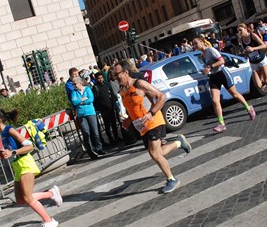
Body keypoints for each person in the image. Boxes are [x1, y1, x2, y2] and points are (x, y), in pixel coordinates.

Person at [113, 60, 192, 193]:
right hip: (142, 126)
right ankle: (179, 142)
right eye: (114, 75)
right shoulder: (123, 90)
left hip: (153, 121)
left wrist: (151, 113)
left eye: (117, 74)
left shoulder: (139, 84)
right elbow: (131, 108)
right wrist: (128, 120)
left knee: (154, 153)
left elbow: (162, 96)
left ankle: (172, 179)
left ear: (126, 72)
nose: (115, 78)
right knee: (158, 152)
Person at [0, 108, 62, 227]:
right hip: (17, 166)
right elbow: (11, 150)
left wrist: (13, 152)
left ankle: (49, 221)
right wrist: (5, 154)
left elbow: (29, 146)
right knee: (20, 199)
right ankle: (50, 194)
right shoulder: (3, 134)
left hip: (25, 164)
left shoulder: (9, 130)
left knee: (27, 198)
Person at [192, 36, 256, 133]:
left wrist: (210, 66)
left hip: (222, 73)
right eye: (193, 44)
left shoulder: (211, 50)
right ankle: (221, 123)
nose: (194, 45)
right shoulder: (202, 56)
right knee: (214, 100)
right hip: (214, 76)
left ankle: (249, 108)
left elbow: (221, 61)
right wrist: (205, 71)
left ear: (201, 42)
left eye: (195, 43)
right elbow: (208, 68)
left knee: (234, 94)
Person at [237, 24, 267, 102]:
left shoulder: (253, 35)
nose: (239, 32)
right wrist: (245, 53)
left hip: (261, 60)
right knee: (258, 85)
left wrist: (253, 48)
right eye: (238, 31)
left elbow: (264, 46)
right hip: (253, 62)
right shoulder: (241, 40)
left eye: (240, 30)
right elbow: (245, 50)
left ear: (245, 29)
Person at [71, 76, 105, 159]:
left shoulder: (87, 89)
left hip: (90, 112)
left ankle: (99, 148)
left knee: (95, 131)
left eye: (75, 84)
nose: (74, 86)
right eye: (73, 84)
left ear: (80, 83)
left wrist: (81, 101)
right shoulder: (74, 92)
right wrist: (82, 100)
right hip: (81, 115)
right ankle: (90, 151)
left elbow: (91, 99)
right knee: (86, 133)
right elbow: (74, 101)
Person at [93, 71, 119, 145]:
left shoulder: (106, 85)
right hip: (104, 110)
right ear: (96, 79)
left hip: (110, 107)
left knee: (114, 124)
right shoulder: (95, 88)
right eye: (99, 78)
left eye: (101, 78)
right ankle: (111, 139)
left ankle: (116, 137)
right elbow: (96, 99)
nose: (101, 79)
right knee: (107, 125)